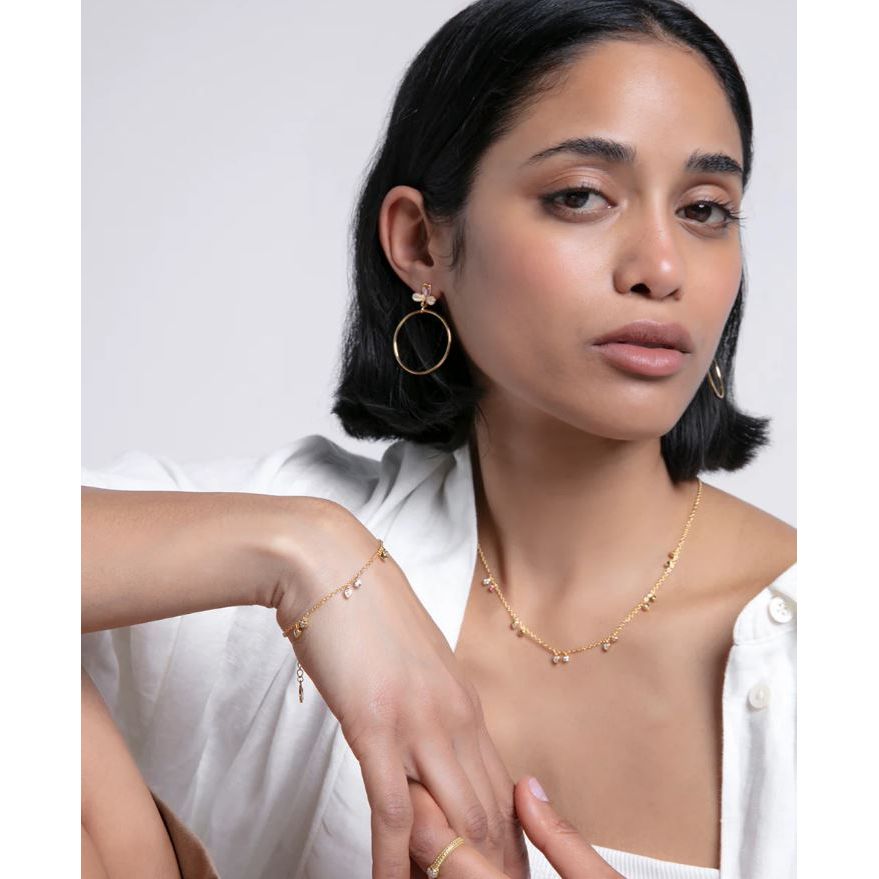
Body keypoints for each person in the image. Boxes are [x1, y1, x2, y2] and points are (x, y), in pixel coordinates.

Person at [81, 1, 796, 877]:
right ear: (421, 243)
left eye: (704, 209)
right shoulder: (298, 556)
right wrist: (308, 550)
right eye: (581, 196)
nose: (662, 267)